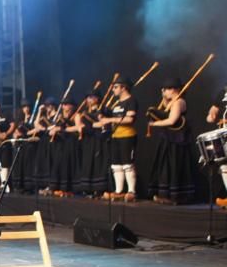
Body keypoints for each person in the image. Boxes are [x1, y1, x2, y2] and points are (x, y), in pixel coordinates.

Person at [147, 77, 194, 205]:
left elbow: (172, 120)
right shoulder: (171, 102)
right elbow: (163, 109)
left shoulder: (179, 102)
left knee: (174, 165)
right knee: (165, 166)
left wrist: (154, 124)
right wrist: (164, 98)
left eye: (166, 89)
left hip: (177, 140)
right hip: (168, 138)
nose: (164, 92)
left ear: (174, 90)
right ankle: (165, 195)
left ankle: (175, 197)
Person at [94, 75, 138, 201]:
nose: (113, 90)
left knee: (127, 164)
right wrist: (101, 115)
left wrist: (110, 119)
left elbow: (129, 119)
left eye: (116, 87)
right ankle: (118, 191)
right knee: (116, 165)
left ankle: (131, 191)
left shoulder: (131, 101)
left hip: (127, 135)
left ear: (123, 88)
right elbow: (106, 117)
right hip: (115, 136)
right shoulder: (117, 103)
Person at [76, 89, 110, 197]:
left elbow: (103, 125)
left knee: (98, 162)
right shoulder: (85, 113)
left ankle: (99, 189)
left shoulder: (103, 110)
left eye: (92, 97)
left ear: (97, 98)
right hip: (88, 140)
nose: (89, 100)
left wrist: (94, 124)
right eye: (88, 97)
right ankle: (87, 188)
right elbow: (81, 126)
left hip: (99, 139)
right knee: (87, 162)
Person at [47, 99, 79, 197]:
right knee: (58, 165)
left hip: (71, 143)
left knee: (68, 164)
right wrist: (53, 131)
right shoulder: (60, 117)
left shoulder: (76, 115)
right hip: (60, 144)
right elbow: (52, 129)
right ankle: (57, 187)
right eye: (64, 105)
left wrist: (62, 129)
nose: (65, 107)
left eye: (67, 104)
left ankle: (69, 189)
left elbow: (78, 127)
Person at [205, 86, 227, 208]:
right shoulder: (223, 91)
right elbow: (213, 110)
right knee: (223, 164)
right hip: (224, 133)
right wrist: (211, 115)